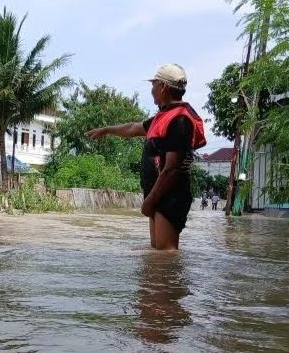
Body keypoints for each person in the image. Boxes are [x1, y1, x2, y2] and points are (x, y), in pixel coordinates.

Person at [86, 64, 206, 250]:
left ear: (163, 87)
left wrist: (149, 201)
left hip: (169, 196)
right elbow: (133, 128)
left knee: (166, 254)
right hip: (160, 195)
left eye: (153, 85)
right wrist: (107, 130)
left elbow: (171, 170)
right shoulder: (164, 116)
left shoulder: (179, 120)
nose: (151, 90)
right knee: (156, 254)